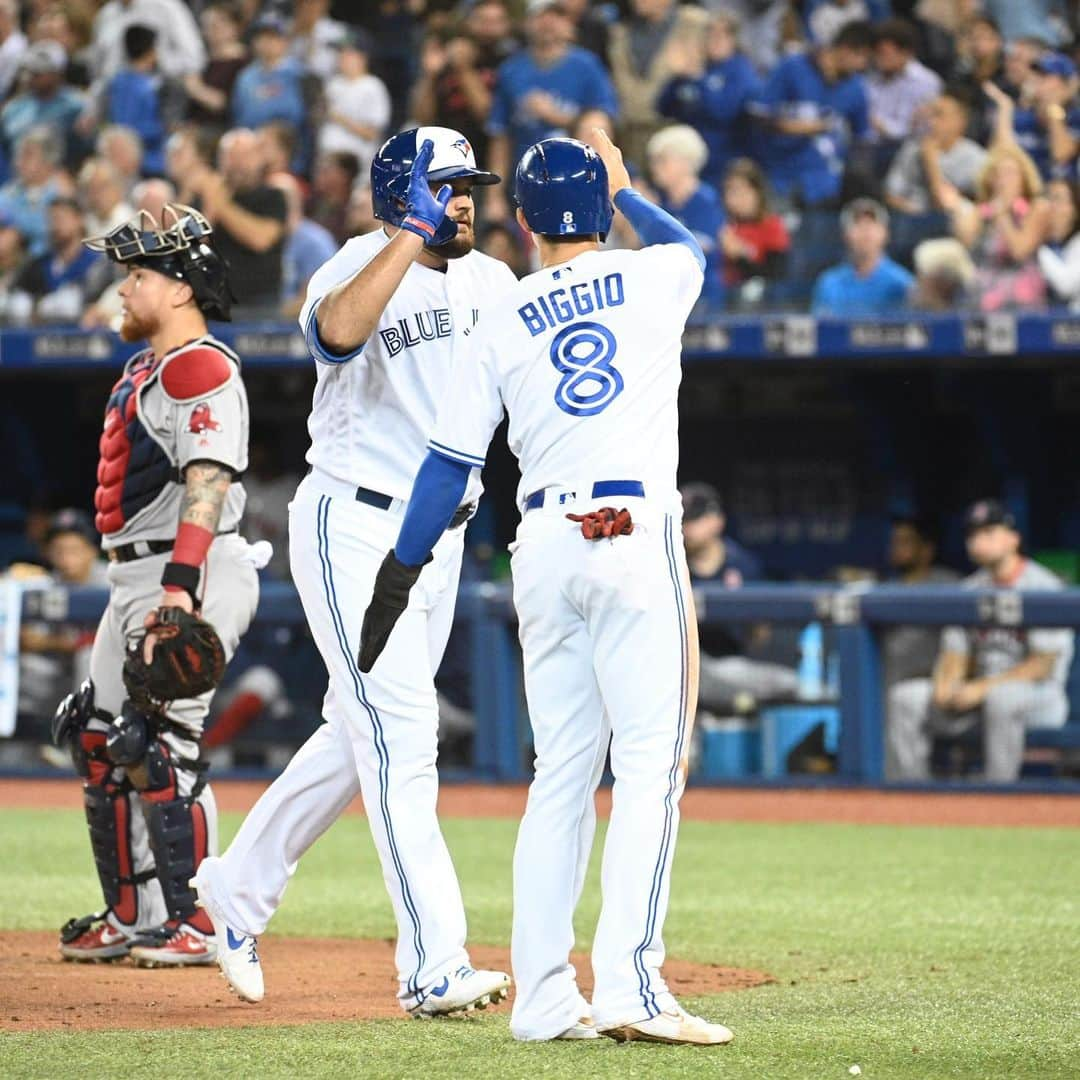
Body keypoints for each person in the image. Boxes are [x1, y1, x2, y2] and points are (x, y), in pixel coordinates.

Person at [358, 130, 733, 1046]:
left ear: (522, 221)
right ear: (600, 209)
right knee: (649, 768)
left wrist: (398, 573)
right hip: (633, 534)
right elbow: (692, 247)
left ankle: (542, 998)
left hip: (545, 544)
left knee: (559, 776)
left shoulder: (501, 316)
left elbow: (446, 471)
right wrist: (627, 187)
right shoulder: (653, 278)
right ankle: (634, 991)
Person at [191, 127, 516, 1015]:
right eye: (445, 184)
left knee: (356, 730)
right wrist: (403, 235)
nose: (464, 200)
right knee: (403, 736)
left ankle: (235, 891)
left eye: (469, 185)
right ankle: (434, 965)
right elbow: (334, 338)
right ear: (402, 191)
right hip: (355, 524)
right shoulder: (353, 265)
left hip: (440, 536)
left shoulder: (494, 282)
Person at [50, 203, 264, 965]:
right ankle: (133, 913)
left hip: (189, 566)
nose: (123, 289)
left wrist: (180, 586)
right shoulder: (149, 365)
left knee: (162, 745)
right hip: (136, 570)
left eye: (137, 276)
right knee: (101, 739)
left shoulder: (200, 364)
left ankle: (202, 921)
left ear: (178, 289)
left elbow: (207, 479)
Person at [887, 500, 1074, 783]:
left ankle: (996, 798)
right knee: (906, 697)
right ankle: (913, 794)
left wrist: (981, 689)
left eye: (989, 532)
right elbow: (955, 654)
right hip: (981, 695)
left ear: (1014, 538)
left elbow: (1042, 666)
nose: (978, 540)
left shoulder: (1043, 586)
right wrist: (945, 685)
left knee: (1003, 698)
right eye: (973, 534)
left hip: (1039, 698)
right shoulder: (969, 590)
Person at [485, 0, 617, 223]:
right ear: (526, 23)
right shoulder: (511, 70)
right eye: (540, 16)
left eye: (556, 16)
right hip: (527, 176)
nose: (548, 23)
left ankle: (598, 196)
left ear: (568, 23)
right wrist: (494, 196)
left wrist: (556, 115)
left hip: (574, 173)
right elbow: (500, 136)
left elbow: (602, 125)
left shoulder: (586, 65)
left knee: (597, 122)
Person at [681, 482, 797, 714]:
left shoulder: (742, 565)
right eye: (682, 521)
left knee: (789, 682)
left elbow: (760, 631)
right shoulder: (671, 564)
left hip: (730, 662)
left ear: (717, 521)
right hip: (682, 664)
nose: (686, 528)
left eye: (694, 519)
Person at [750, 20, 872, 208]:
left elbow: (862, 138)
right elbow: (759, 117)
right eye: (861, 57)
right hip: (780, 176)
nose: (862, 65)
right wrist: (798, 127)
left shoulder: (856, 87)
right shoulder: (792, 67)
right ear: (845, 49)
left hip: (827, 184)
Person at [656, 11, 761, 189]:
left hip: (725, 164)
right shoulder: (699, 68)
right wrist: (677, 78)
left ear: (734, 39)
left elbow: (723, 112)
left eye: (722, 35)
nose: (715, 40)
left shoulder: (741, 72)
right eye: (710, 34)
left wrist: (696, 77)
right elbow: (663, 107)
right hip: (690, 163)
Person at [192, 128, 288, 317]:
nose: (238, 164)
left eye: (245, 156)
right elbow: (191, 247)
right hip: (212, 302)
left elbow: (260, 240)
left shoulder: (272, 197)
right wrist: (210, 210)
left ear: (259, 160)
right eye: (230, 156)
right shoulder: (204, 199)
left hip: (259, 305)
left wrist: (221, 204)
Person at [409, 0, 516, 167]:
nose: (488, 28)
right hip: (441, 160)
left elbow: (488, 116)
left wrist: (464, 69)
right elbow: (421, 116)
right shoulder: (446, 58)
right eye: (482, 20)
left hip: (483, 163)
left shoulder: (510, 63)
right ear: (469, 23)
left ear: (507, 26)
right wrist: (429, 76)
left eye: (495, 22)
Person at [605, 0, 710, 167]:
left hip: (674, 131)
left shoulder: (692, 25)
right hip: (630, 132)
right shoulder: (620, 32)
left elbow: (701, 75)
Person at [949, 142, 1050, 311]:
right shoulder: (980, 212)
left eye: (1010, 173)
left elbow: (1020, 251)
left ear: (1024, 178)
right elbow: (965, 241)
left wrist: (1003, 214)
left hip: (1022, 290)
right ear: (990, 180)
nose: (1004, 180)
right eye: (998, 175)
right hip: (982, 288)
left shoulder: (1037, 208)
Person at [646, 124, 724, 307]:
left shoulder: (705, 199)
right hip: (670, 295)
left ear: (685, 163)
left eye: (662, 160)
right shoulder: (660, 203)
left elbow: (700, 245)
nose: (654, 167)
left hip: (703, 295)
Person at [879, 515, 959, 691]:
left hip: (931, 683)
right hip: (890, 683)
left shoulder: (948, 585)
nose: (896, 548)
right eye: (895, 542)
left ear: (926, 550)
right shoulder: (885, 589)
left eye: (905, 542)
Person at [7, 195, 111, 324]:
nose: (55, 225)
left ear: (79, 220)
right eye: (51, 220)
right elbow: (18, 295)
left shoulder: (98, 264)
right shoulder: (38, 265)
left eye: (61, 218)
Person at [884, 86, 988, 215]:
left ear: (960, 122)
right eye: (931, 115)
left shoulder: (976, 158)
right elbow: (891, 195)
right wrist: (912, 212)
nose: (932, 122)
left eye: (939, 115)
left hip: (951, 223)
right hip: (911, 218)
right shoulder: (912, 149)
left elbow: (945, 205)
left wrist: (930, 162)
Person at [812, 197, 914, 315]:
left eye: (872, 223)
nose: (865, 229)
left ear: (886, 233)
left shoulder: (902, 283)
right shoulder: (828, 283)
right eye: (857, 223)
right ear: (845, 235)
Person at [317, 29, 390, 179]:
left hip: (357, 169)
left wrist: (338, 117)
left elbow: (372, 133)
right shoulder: (333, 83)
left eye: (346, 52)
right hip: (326, 163)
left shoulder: (373, 87)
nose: (341, 57)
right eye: (339, 52)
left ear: (362, 57)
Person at [866, 19, 942, 151]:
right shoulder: (872, 78)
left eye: (885, 54)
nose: (879, 59)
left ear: (906, 53)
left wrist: (884, 127)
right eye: (877, 53)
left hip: (909, 148)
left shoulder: (927, 82)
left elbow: (922, 129)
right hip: (873, 147)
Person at [0, 40, 84, 159]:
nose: (32, 77)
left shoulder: (76, 106)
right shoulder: (13, 109)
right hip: (16, 173)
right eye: (30, 71)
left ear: (57, 73)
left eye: (39, 73)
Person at [0, 125, 73, 258]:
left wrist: (16, 230)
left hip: (49, 261)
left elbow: (55, 230)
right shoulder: (8, 192)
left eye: (28, 155)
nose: (19, 162)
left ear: (48, 160)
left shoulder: (61, 191)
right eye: (19, 155)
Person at [720, 157, 789, 293]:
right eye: (730, 191)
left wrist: (739, 256)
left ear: (757, 192)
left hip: (759, 304)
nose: (734, 198)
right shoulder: (722, 226)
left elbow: (774, 278)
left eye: (741, 190)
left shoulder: (772, 226)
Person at [90, 0, 205, 82]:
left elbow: (194, 58)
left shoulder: (167, 7)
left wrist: (155, 62)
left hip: (155, 98)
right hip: (114, 100)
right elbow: (97, 69)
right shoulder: (105, 15)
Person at [1008, 52, 1080, 182]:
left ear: (1066, 84)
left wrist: (1054, 108)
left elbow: (1061, 154)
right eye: (1036, 74)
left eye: (1045, 75)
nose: (1036, 79)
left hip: (1066, 193)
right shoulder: (1021, 117)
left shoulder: (1076, 117)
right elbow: (1001, 156)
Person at [183, 2, 248, 133]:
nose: (214, 29)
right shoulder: (205, 63)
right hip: (199, 129)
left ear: (235, 27)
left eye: (220, 23)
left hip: (224, 129)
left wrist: (196, 89)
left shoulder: (243, 63)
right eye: (209, 25)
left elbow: (224, 103)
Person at [1037, 177, 1080, 306]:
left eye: (1057, 199)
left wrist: (1034, 246)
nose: (1050, 206)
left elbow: (1066, 285)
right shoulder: (1052, 245)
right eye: (1048, 198)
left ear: (1075, 209)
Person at [78, 157, 134, 236]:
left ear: (118, 187)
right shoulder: (85, 224)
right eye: (91, 188)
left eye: (102, 186)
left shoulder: (131, 221)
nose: (97, 193)